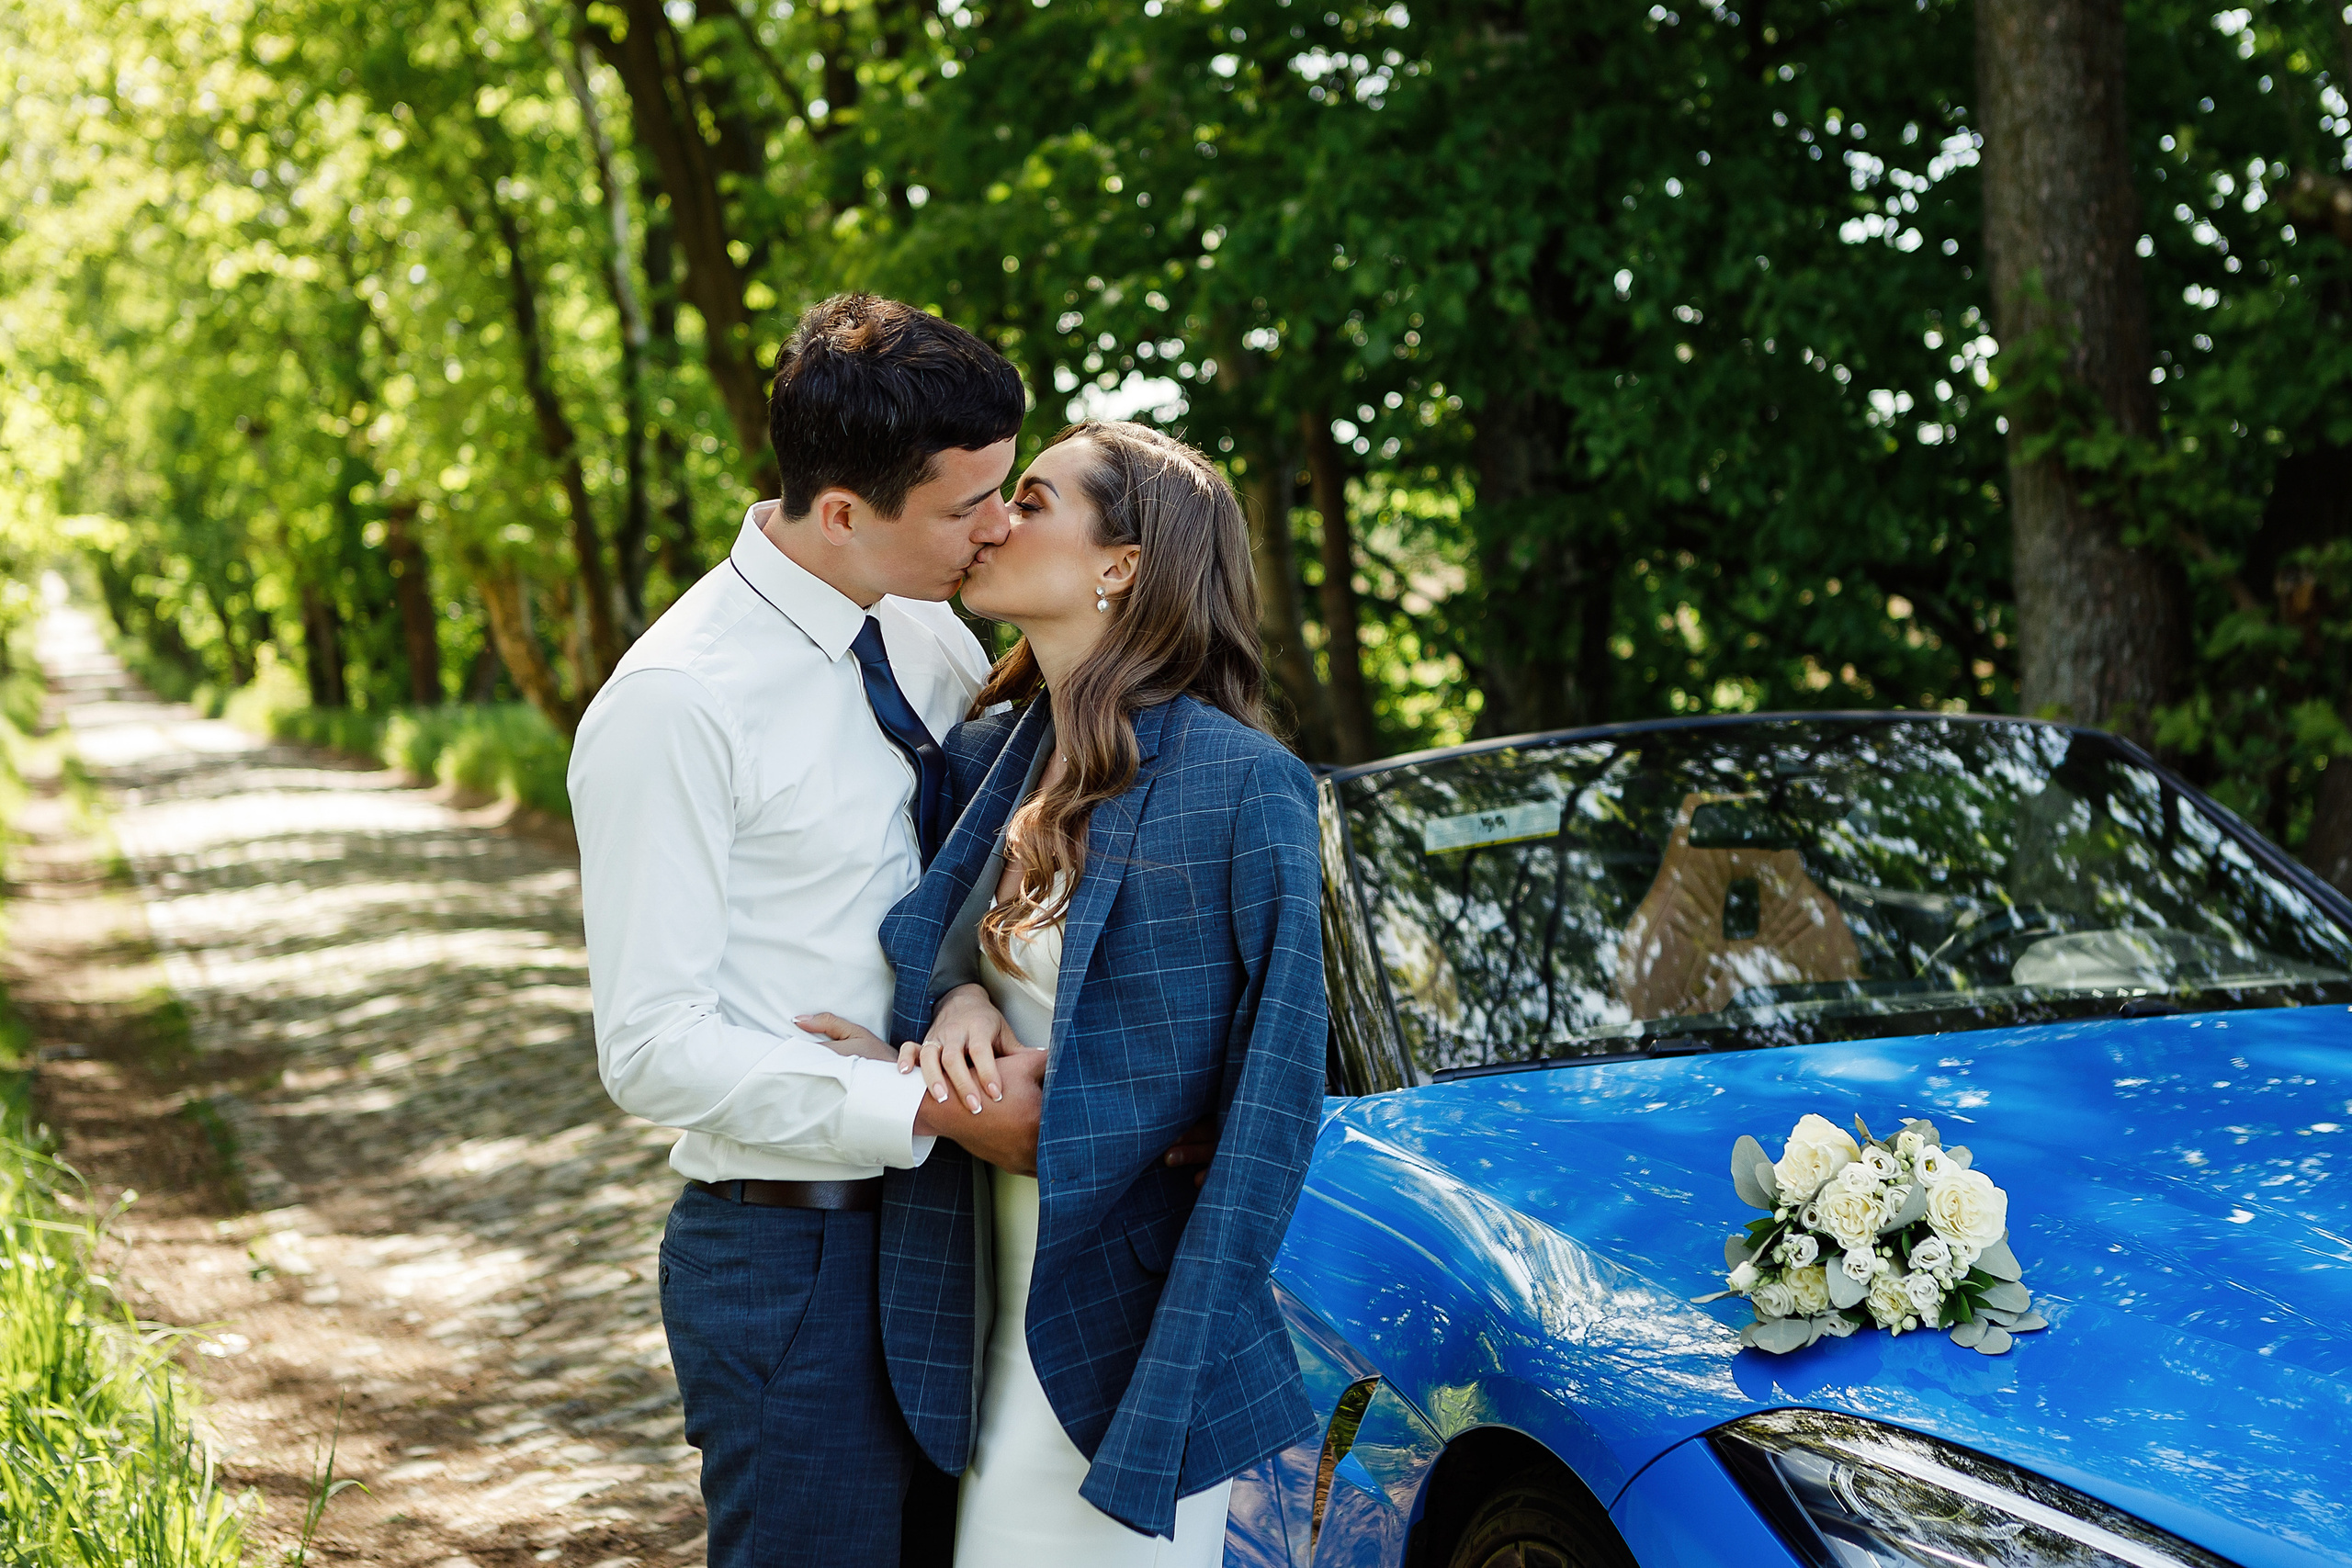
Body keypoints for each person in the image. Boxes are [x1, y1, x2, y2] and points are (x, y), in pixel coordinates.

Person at [568, 295, 1041, 1568]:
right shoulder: (675, 703)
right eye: (967, 505)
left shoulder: (932, 629)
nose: (1001, 526)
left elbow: (961, 880)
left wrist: (963, 996)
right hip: (792, 1247)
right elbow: (652, 1046)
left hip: (954, 1229)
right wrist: (925, 1105)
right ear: (842, 509)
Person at [819, 421, 1330, 1562]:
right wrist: (957, 1003)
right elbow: (940, 944)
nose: (995, 520)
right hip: (972, 1295)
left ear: (1123, 565)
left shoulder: (1247, 788)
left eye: (1035, 499)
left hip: (1135, 1333)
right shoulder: (988, 758)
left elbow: (1274, 1110)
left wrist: (1173, 1385)